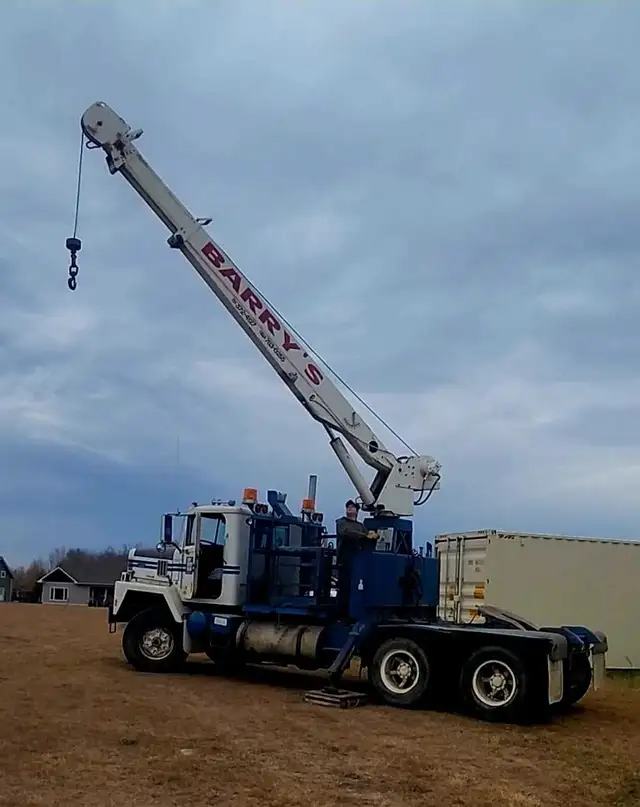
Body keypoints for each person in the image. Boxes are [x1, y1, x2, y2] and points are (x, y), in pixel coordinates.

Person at [334, 499, 378, 617]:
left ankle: (352, 614)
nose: (350, 508)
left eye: (352, 507)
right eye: (348, 507)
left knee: (356, 589)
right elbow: (346, 533)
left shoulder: (361, 526)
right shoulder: (341, 523)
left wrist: (374, 536)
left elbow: (368, 539)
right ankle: (341, 615)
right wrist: (365, 535)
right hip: (345, 561)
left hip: (358, 562)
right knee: (344, 589)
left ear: (357, 511)